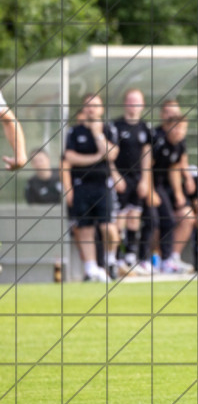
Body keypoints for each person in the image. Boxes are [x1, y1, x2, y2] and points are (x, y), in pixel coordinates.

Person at [63, 94, 120, 283]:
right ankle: (91, 269)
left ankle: (110, 260)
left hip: (103, 186)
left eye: (95, 105)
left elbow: (112, 154)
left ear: (101, 109)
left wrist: (98, 135)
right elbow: (70, 157)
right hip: (81, 186)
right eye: (88, 106)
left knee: (108, 227)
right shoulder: (74, 131)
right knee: (85, 228)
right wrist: (96, 157)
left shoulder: (108, 129)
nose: (91, 109)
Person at [111, 89, 155, 276]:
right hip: (120, 179)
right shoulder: (115, 126)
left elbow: (147, 155)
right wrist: (114, 176)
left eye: (137, 101)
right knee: (119, 218)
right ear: (125, 103)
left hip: (137, 179)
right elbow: (109, 155)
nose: (133, 105)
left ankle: (130, 256)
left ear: (142, 105)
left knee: (135, 215)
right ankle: (116, 257)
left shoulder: (145, 128)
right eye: (130, 101)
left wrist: (145, 180)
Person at [151, 114, 194, 274]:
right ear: (167, 127)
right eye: (175, 128)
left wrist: (178, 193)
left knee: (173, 219)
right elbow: (146, 168)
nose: (179, 132)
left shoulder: (179, 144)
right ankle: (154, 259)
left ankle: (169, 259)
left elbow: (174, 168)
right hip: (150, 184)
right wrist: (150, 191)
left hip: (162, 186)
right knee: (158, 221)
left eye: (182, 128)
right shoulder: (158, 141)